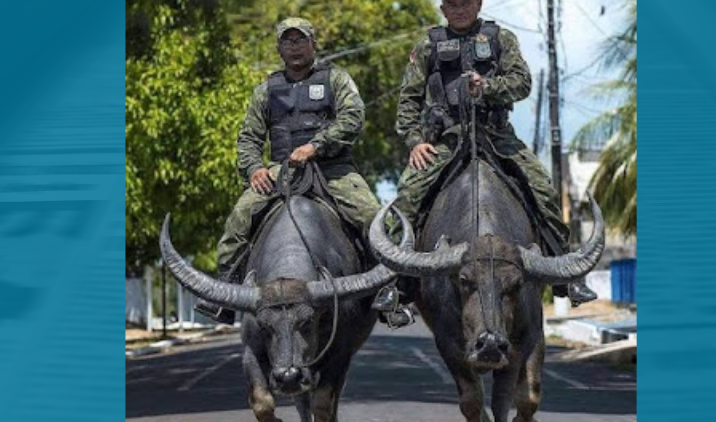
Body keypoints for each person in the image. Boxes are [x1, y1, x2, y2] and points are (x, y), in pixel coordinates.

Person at [375, 0, 597, 309]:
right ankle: (395, 283)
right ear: (443, 9)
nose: (460, 9)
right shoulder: (428, 44)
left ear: (478, 5)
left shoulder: (500, 38)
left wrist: (487, 87)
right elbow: (408, 100)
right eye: (452, 4)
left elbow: (522, 83)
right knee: (407, 197)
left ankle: (568, 276)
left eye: (466, 3)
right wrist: (415, 141)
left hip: (497, 134)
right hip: (446, 138)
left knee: (543, 189)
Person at [199, 18, 384, 323]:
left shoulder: (336, 79)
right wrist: (254, 168)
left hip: (333, 169)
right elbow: (248, 138)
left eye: (301, 40)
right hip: (280, 171)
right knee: (239, 218)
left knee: (371, 216)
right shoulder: (265, 90)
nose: (295, 47)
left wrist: (316, 146)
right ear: (279, 47)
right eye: (288, 41)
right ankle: (225, 292)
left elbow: (353, 118)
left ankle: (388, 289)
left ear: (313, 44)